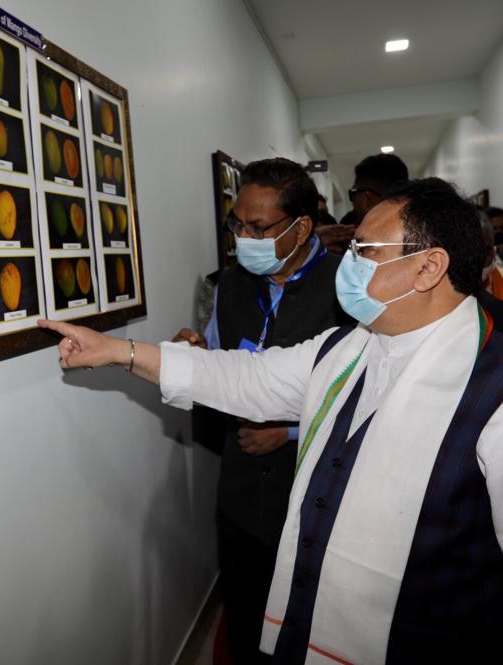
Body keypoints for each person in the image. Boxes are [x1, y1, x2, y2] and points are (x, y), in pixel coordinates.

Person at [40, 178, 503, 664]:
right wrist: (119, 351)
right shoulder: (345, 350)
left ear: (428, 268)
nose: (346, 264)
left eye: (365, 252)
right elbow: (242, 378)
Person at [174, 157, 348, 664]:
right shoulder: (229, 284)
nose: (242, 237)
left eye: (258, 227)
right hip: (241, 494)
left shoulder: (349, 289)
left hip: (315, 496)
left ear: (302, 227)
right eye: (237, 223)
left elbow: (368, 391)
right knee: (248, 621)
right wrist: (196, 358)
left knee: (309, 626)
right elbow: (224, 367)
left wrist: (291, 431)